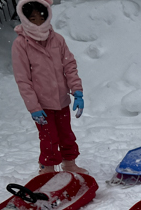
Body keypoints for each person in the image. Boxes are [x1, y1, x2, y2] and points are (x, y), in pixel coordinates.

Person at [12, 0, 88, 174]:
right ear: (25, 19)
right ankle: (47, 169)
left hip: (61, 100)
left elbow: (70, 66)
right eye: (33, 18)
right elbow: (22, 79)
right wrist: (34, 107)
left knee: (66, 134)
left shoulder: (57, 40)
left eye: (41, 17)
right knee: (49, 138)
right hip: (42, 105)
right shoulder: (21, 44)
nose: (38, 22)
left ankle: (69, 164)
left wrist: (77, 92)